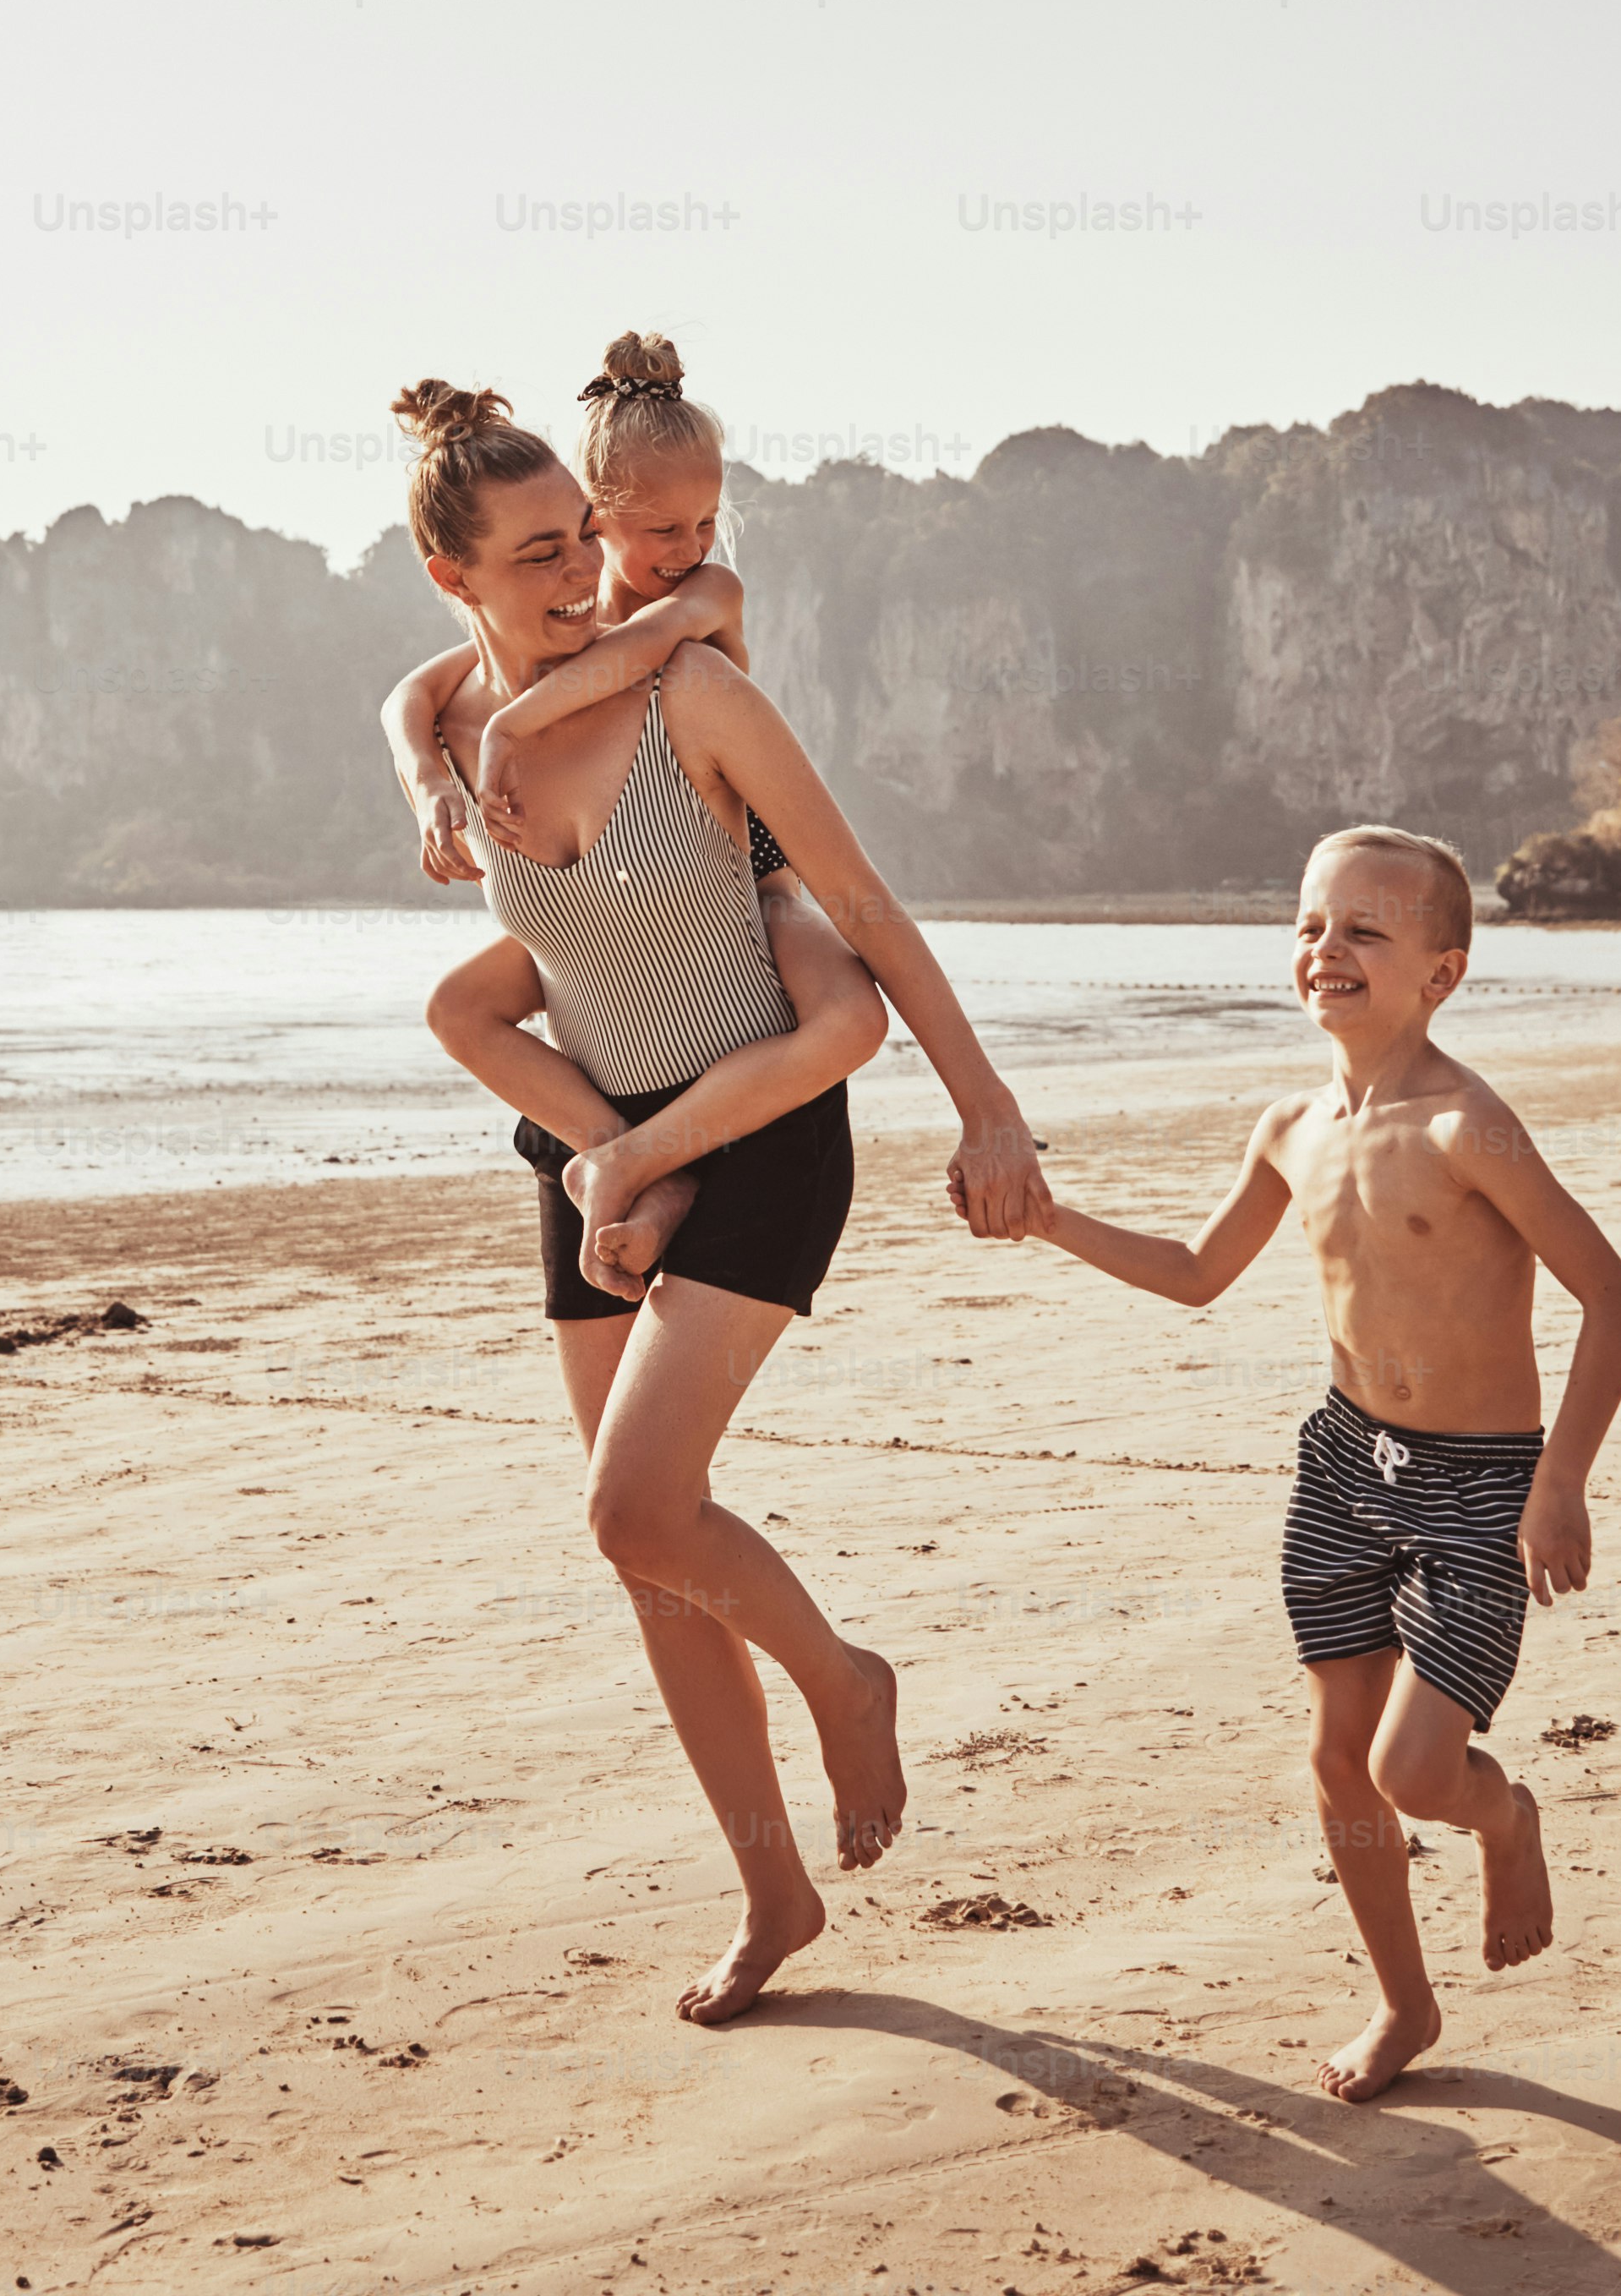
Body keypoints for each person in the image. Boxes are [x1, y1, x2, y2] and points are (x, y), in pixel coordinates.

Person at [386, 375, 1045, 2024]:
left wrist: (989, 1104)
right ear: (455, 576)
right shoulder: (458, 725)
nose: (582, 576)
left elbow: (861, 906)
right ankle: (773, 1899)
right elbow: (414, 713)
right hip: (600, 1137)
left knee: (633, 1509)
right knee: (650, 1553)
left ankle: (845, 1678)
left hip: (761, 1141)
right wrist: (437, 783)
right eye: (537, 553)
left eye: (576, 545)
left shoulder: (692, 690)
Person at [1012, 824, 1621, 2102]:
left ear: (1442, 973)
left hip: (1480, 1482)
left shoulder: (1469, 1125)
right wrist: (1050, 1218)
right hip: (1344, 1465)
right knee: (1333, 1755)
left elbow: (1613, 1299)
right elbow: (1198, 1276)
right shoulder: (1290, 1126)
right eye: (1312, 924)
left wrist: (1559, 1480)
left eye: (1366, 929)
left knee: (1414, 1772)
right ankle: (1405, 2005)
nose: (1328, 949)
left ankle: (1504, 1818)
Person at [377, 333, 889, 1284]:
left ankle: (641, 1161)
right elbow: (411, 692)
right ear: (612, 518)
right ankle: (627, 1159)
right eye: (662, 528)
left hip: (750, 866)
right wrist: (429, 780)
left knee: (851, 1018)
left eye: (707, 521)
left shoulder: (691, 606)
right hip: (634, 913)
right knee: (457, 1007)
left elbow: (633, 653)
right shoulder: (546, 646)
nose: (690, 549)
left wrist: (511, 727)